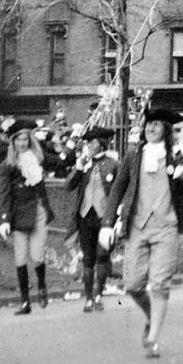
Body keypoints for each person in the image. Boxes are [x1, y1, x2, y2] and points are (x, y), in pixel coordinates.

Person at [101, 108, 183, 358]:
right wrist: (107, 223)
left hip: (166, 226)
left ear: (166, 130)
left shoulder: (174, 155)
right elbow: (117, 190)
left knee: (161, 284)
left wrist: (182, 157)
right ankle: (149, 317)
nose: (151, 129)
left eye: (157, 125)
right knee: (132, 284)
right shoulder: (133, 155)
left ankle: (153, 338)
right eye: (148, 125)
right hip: (137, 226)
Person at [0, 118, 54, 315]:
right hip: (19, 214)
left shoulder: (36, 158)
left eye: (25, 139)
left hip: (37, 211)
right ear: (12, 142)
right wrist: (3, 219)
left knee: (37, 257)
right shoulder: (7, 165)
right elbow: (2, 193)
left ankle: (42, 285)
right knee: (20, 259)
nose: (22, 143)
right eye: (18, 140)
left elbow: (59, 161)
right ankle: (25, 301)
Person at [65, 124, 119, 311]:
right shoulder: (84, 163)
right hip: (85, 216)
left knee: (102, 257)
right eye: (88, 142)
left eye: (92, 142)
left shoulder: (112, 164)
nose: (88, 145)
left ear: (101, 144)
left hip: (105, 218)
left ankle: (98, 296)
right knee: (88, 258)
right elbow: (68, 186)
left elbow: (119, 190)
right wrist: (79, 168)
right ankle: (88, 297)